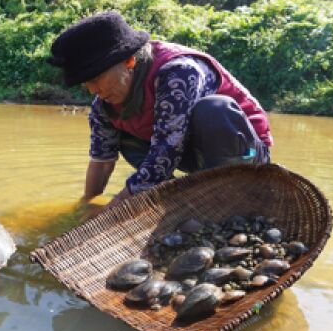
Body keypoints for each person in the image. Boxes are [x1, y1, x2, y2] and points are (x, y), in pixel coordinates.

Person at [47, 11, 273, 212]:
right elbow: (102, 160)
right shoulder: (103, 105)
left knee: (213, 110)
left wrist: (111, 211)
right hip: (192, 153)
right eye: (86, 84)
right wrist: (85, 204)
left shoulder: (178, 73)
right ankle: (186, 196)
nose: (93, 90)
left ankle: (225, 199)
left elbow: (166, 150)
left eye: (96, 79)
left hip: (246, 152)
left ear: (129, 60)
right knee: (124, 137)